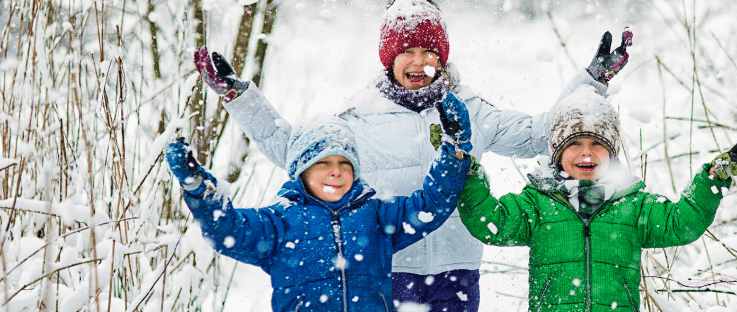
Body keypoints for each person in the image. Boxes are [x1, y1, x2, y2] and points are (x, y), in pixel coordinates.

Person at [192, 0, 633, 309]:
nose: (419, 62)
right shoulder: (357, 118)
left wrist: (591, 82)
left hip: (459, 267)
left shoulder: (471, 111)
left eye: (429, 52)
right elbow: (294, 149)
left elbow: (542, 134)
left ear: (442, 57)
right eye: (408, 51)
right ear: (389, 59)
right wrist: (238, 96)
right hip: (393, 267)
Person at [455, 87, 737, 311]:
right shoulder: (537, 204)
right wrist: (468, 177)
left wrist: (714, 177)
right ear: (556, 152)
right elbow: (492, 224)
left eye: (597, 143)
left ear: (612, 153)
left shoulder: (632, 206)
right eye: (574, 143)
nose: (587, 152)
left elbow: (681, 224)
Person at [162, 96, 473, 311]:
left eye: (344, 163)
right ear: (302, 169)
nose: (335, 171)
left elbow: (432, 205)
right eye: (323, 163)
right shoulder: (280, 222)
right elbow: (227, 230)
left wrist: (455, 150)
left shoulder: (376, 215)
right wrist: (198, 188)